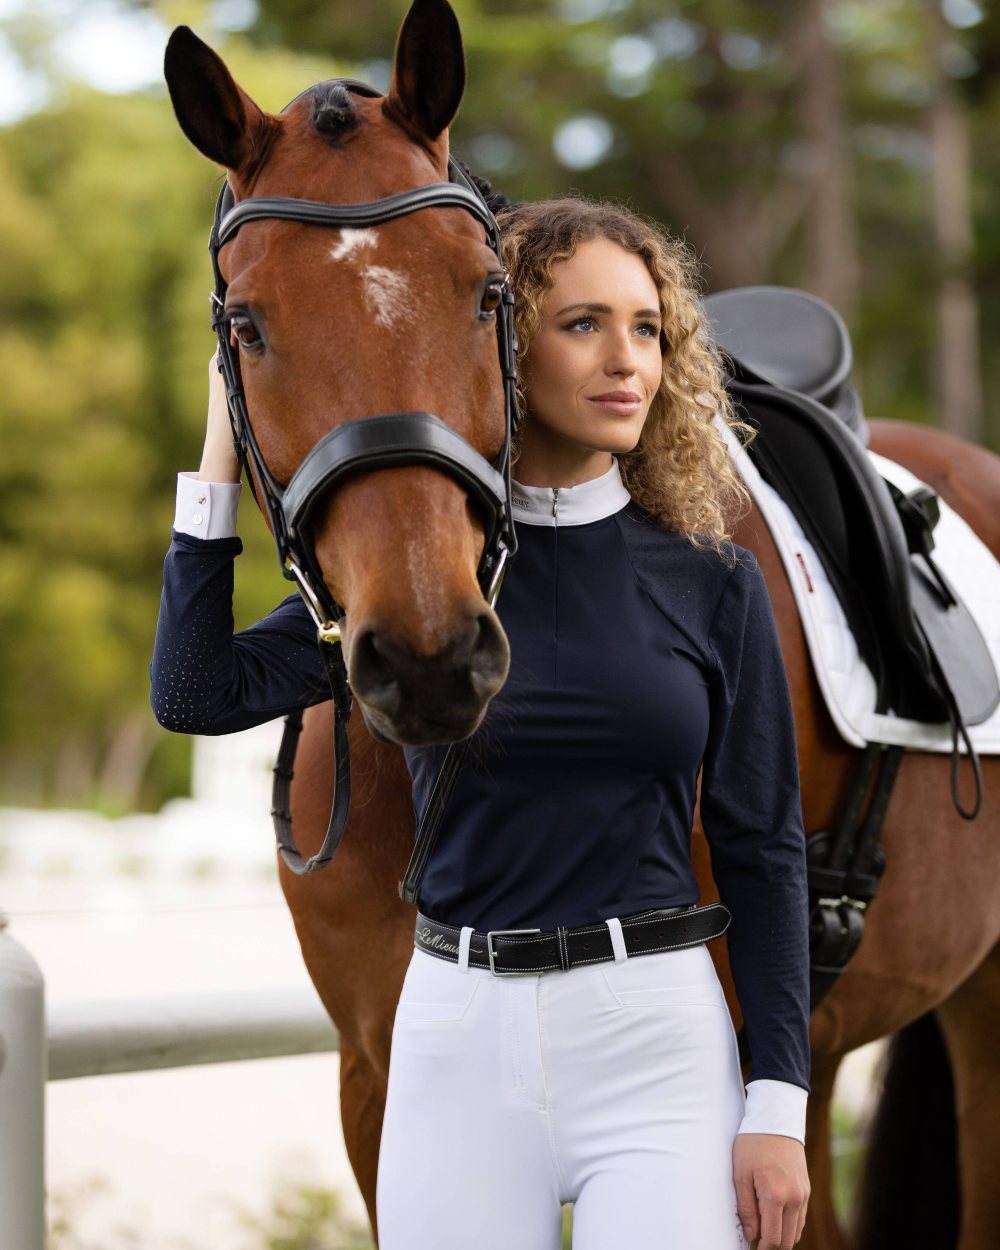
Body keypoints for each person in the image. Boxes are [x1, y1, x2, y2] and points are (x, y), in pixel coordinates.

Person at [151, 195, 810, 1250]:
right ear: (500, 341)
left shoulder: (709, 581)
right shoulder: (420, 582)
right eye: (582, 323)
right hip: (456, 1034)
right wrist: (220, 450)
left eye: (646, 327)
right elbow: (195, 695)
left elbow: (763, 848)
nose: (625, 359)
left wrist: (777, 1099)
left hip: (656, 1037)